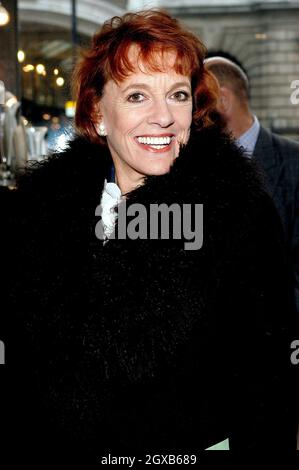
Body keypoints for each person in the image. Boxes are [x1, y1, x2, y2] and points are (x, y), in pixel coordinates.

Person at [2, 10, 297, 461]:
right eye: (138, 95)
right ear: (99, 111)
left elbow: (271, 379)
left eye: (177, 95)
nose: (163, 117)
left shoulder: (239, 214)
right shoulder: (40, 218)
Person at [204, 56, 299, 320]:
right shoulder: (191, 167)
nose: (190, 113)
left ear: (222, 100)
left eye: (198, 100)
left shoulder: (293, 163)